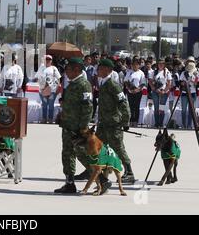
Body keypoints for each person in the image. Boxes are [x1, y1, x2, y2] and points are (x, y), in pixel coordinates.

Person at [55, 58, 93, 194]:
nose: (66, 73)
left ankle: (101, 177)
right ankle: (69, 183)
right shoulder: (72, 84)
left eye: (68, 70)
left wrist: (83, 128)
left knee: (82, 154)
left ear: (77, 70)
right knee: (67, 154)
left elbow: (88, 108)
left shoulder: (84, 85)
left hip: (77, 128)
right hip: (68, 126)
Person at [96, 59, 134, 185]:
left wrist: (125, 121)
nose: (98, 70)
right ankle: (96, 170)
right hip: (103, 123)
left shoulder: (113, 85)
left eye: (101, 68)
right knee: (98, 147)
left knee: (118, 148)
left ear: (108, 70)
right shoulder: (103, 82)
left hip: (113, 123)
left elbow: (123, 103)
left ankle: (129, 172)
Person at [35, 55, 61, 124]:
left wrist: (56, 87)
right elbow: (37, 77)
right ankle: (44, 119)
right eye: (46, 59)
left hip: (52, 90)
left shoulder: (54, 68)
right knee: (44, 104)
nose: (47, 61)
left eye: (49, 60)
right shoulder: (41, 67)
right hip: (43, 90)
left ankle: (50, 119)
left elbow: (58, 78)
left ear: (51, 61)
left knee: (51, 105)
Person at [179, 57, 199, 129]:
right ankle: (183, 124)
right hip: (184, 92)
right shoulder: (184, 73)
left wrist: (194, 81)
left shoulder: (196, 73)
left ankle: (189, 125)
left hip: (192, 93)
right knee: (183, 110)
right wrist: (185, 83)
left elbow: (197, 84)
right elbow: (180, 82)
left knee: (191, 110)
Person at [149, 59, 172, 128]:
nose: (161, 65)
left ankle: (161, 123)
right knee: (156, 108)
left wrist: (164, 91)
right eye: (159, 63)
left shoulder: (167, 72)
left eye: (162, 63)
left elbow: (169, 83)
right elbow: (150, 81)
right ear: (157, 64)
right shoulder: (153, 72)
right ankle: (156, 123)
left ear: (164, 64)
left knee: (162, 108)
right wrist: (154, 88)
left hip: (163, 92)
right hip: (155, 92)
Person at [124, 59, 146, 127]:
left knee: (136, 106)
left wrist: (138, 89)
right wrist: (129, 89)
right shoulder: (129, 72)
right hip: (130, 91)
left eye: (137, 64)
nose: (135, 66)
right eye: (133, 64)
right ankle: (131, 120)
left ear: (139, 65)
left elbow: (143, 83)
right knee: (131, 106)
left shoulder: (141, 73)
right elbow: (126, 81)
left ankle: (136, 121)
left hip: (138, 91)